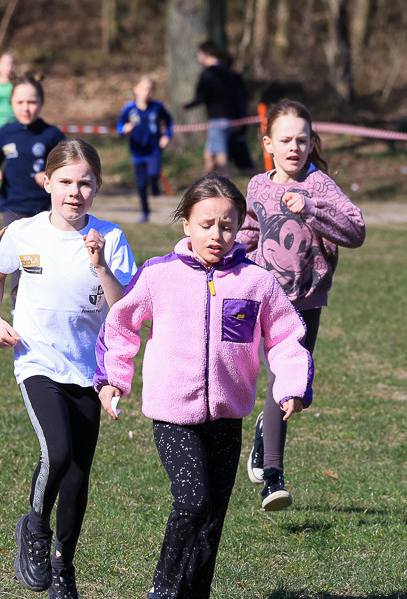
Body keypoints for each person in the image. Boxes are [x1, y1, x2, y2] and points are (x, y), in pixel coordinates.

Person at [94, 173, 314, 599]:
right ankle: (163, 596)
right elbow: (122, 327)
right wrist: (113, 379)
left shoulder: (256, 282)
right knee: (192, 504)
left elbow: (285, 337)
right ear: (187, 224)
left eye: (229, 226)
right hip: (174, 416)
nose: (218, 235)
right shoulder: (158, 275)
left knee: (211, 524)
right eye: (207, 224)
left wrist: (292, 385)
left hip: (226, 419)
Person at [0, 139, 137, 599]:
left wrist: (100, 265)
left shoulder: (110, 238)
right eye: (65, 182)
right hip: (37, 361)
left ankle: (64, 570)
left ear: (97, 187)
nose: (75, 192)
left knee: (78, 477)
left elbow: (123, 308)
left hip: (88, 371)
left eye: (85, 183)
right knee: (58, 453)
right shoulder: (23, 233)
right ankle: (34, 529)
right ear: (46, 182)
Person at [236, 100, 365, 510]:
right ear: (268, 143)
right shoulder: (258, 186)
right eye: (286, 139)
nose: (294, 147)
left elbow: (355, 230)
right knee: (280, 381)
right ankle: (273, 477)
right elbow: (248, 232)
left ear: (312, 144)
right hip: (263, 300)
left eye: (302, 140)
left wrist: (312, 209)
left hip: (306, 302)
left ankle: (266, 438)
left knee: (295, 386)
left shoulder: (320, 186)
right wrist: (220, 256)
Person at [0, 77, 65, 228]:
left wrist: (50, 175)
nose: (25, 108)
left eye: (32, 102)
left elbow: (65, 167)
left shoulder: (53, 135)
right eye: (20, 102)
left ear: (41, 102)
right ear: (11, 103)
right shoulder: (4, 133)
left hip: (47, 207)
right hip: (13, 205)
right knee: (15, 250)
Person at [117, 75, 172, 223]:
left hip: (154, 149)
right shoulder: (129, 109)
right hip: (137, 152)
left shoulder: (157, 107)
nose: (146, 93)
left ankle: (155, 186)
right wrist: (124, 130)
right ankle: (145, 213)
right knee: (141, 185)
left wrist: (166, 136)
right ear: (136, 89)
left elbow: (169, 121)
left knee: (153, 173)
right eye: (143, 89)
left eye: (150, 90)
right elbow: (120, 127)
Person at [183, 41, 241, 176]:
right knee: (208, 156)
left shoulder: (208, 74)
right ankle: (202, 187)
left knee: (221, 160)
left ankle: (231, 190)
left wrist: (188, 106)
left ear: (205, 54)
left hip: (217, 121)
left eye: (199, 54)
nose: (198, 57)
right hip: (231, 120)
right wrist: (238, 118)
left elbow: (201, 97)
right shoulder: (229, 73)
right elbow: (238, 97)